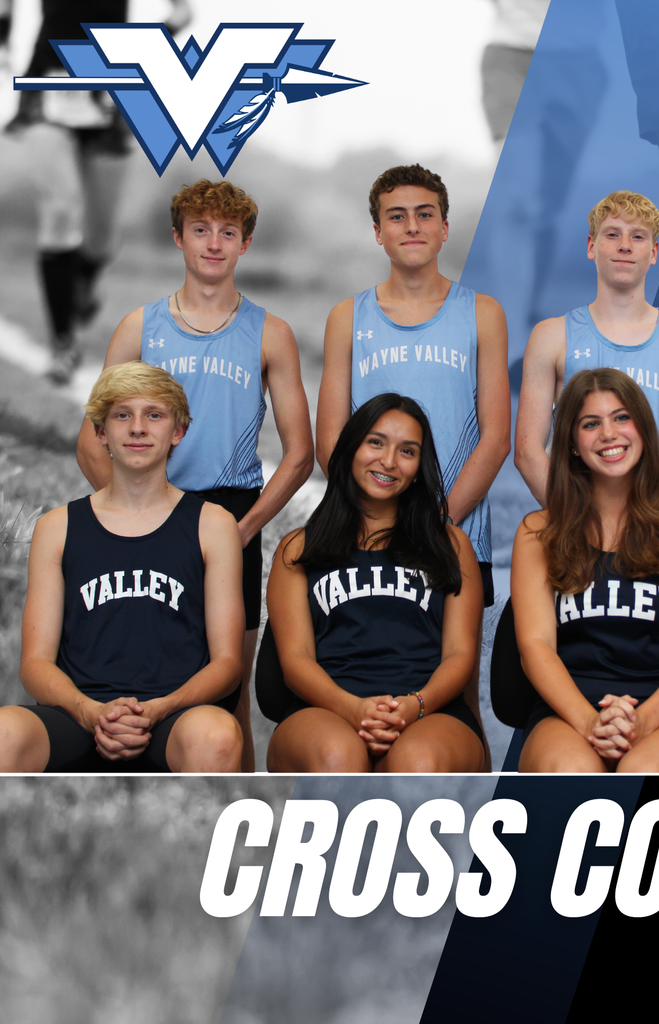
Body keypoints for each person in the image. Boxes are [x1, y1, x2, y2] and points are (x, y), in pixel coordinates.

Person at [75, 179, 314, 773]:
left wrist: (243, 529)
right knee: (140, 672)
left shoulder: (270, 332)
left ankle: (242, 816)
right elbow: (90, 438)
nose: (214, 243)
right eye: (201, 230)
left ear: (246, 243)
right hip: (150, 508)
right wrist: (131, 512)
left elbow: (300, 454)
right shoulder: (139, 327)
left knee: (227, 691)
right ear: (178, 237)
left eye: (228, 233)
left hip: (230, 510)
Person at [316, 164, 509, 765]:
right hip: (364, 537)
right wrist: (382, 520)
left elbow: (496, 435)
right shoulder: (349, 316)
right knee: (362, 685)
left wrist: (433, 523)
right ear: (377, 231)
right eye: (396, 216)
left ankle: (473, 838)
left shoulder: (482, 312)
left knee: (455, 695)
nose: (412, 225)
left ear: (445, 226)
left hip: (454, 534)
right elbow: (332, 439)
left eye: (425, 213)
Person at [0, 362, 244, 772]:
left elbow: (228, 664)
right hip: (77, 715)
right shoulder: (57, 527)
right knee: (5, 730)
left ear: (178, 431)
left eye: (154, 415)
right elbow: (35, 663)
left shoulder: (212, 524)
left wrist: (160, 709)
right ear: (101, 432)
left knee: (217, 735)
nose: (137, 428)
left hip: (174, 714)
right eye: (121, 415)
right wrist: (89, 711)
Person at [512, 368, 659, 772]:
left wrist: (642, 720)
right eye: (590, 424)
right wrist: (590, 721)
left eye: (622, 417)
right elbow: (535, 648)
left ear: (643, 429)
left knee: (642, 775)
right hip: (566, 713)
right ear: (573, 444)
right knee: (572, 777)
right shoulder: (537, 532)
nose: (609, 433)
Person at [265, 394, 486, 773]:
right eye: (376, 442)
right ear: (352, 448)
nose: (388, 461)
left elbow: (459, 656)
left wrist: (413, 706)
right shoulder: (298, 549)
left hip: (428, 709)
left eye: (407, 451)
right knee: (338, 757)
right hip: (325, 710)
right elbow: (295, 661)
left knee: (416, 763)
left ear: (419, 467)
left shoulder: (451, 545)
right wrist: (353, 709)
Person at [3, 0, 192, 384]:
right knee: (61, 209)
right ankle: (63, 343)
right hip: (49, 83)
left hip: (109, 94)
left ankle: (84, 278)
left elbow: (183, 12)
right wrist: (5, 34)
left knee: (103, 239)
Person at [515, 190, 659, 507]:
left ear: (654, 252)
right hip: (579, 524)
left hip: (658, 526)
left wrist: (656, 522)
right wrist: (578, 519)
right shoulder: (551, 336)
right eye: (612, 234)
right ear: (591, 247)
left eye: (638, 236)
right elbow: (527, 452)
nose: (625, 245)